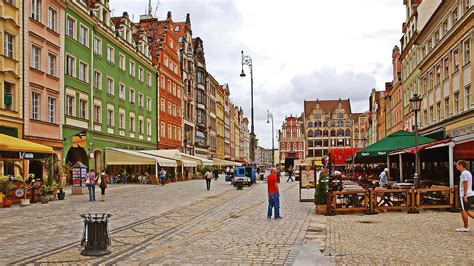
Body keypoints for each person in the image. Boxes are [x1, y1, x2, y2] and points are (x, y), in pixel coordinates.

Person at [456, 160, 474, 232]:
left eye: (457, 165)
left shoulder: (463, 173)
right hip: (470, 193)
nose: (456, 166)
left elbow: (465, 184)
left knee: (462, 210)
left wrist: (465, 195)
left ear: (461, 165)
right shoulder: (468, 172)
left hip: (464, 194)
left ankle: (466, 227)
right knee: (466, 210)